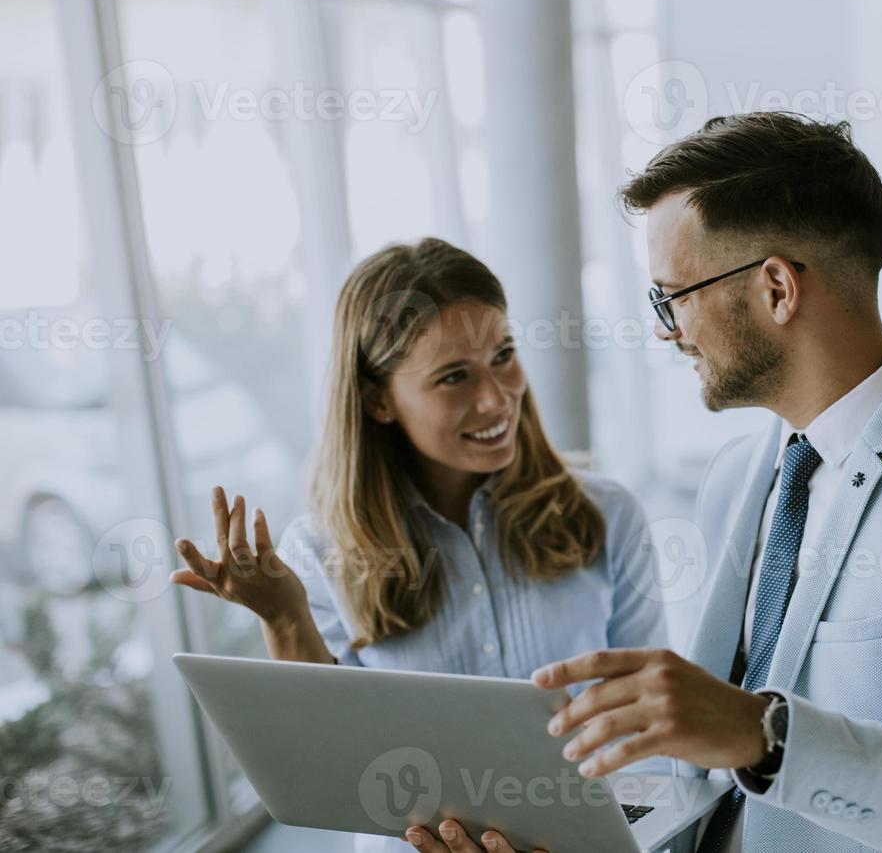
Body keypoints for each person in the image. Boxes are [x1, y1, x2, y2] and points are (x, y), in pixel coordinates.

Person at [416, 113, 882, 853]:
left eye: (673, 295)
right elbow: (697, 779)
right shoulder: (737, 476)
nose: (667, 330)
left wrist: (763, 736)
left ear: (776, 289)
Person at [169, 238, 663, 853]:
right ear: (378, 400)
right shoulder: (320, 550)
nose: (496, 397)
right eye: (453, 376)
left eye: (503, 355)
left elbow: (653, 728)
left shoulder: (606, 514)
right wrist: (282, 614)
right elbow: (329, 766)